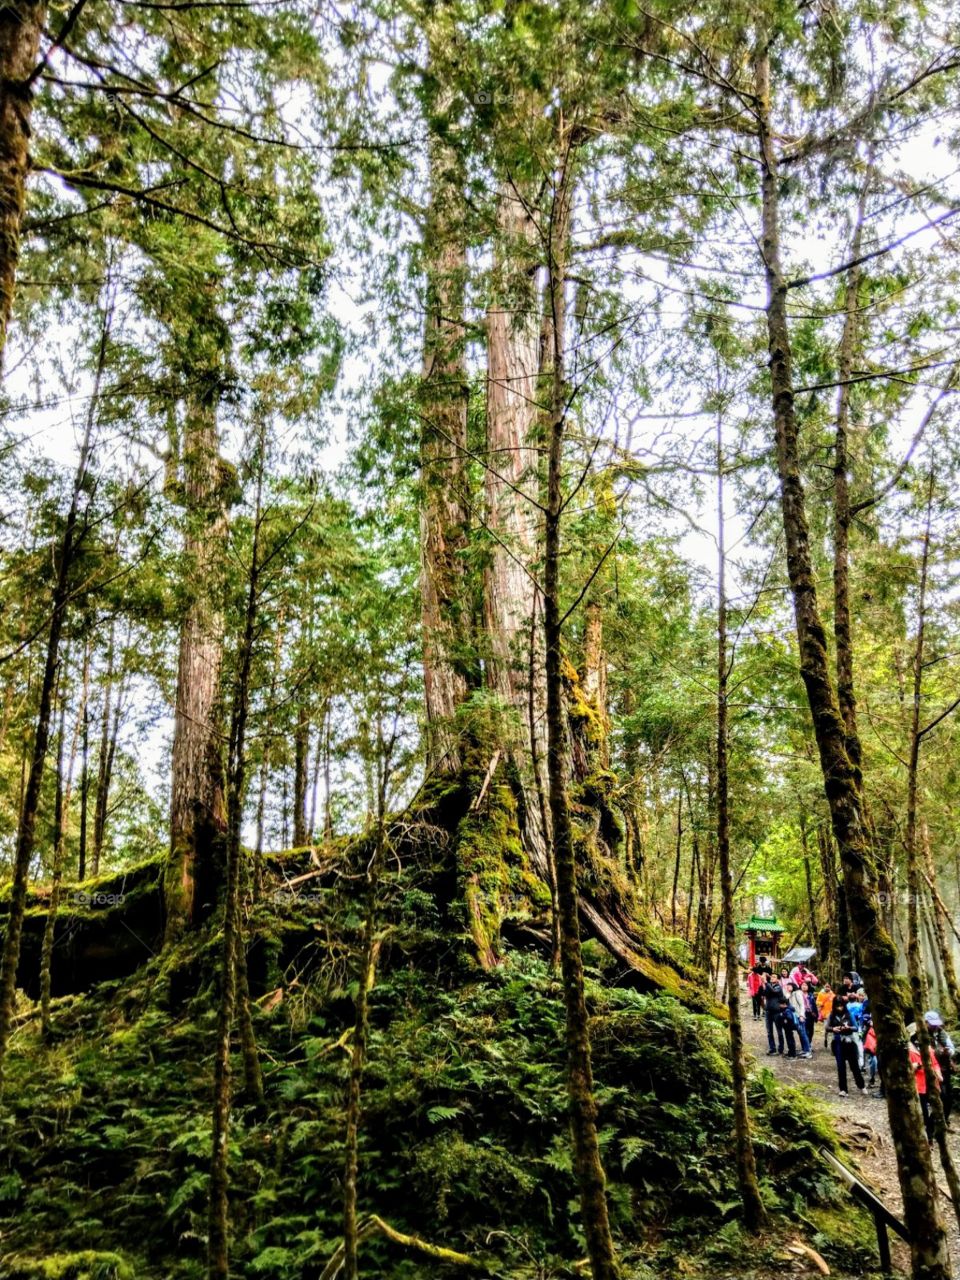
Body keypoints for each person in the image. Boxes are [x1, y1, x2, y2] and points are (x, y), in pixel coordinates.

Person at [907, 1023, 942, 1138]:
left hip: (931, 1082)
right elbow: (903, 1069)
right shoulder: (907, 1048)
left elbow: (935, 1063)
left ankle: (932, 1129)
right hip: (918, 1085)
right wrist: (915, 1065)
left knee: (943, 1104)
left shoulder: (927, 1046)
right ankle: (928, 1137)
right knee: (923, 1112)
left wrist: (939, 1075)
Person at [828, 994, 866, 1096]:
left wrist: (848, 1027)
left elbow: (856, 1027)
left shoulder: (849, 1014)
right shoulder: (832, 1015)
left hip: (850, 1042)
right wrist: (833, 1029)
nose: (839, 1008)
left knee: (854, 1066)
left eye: (841, 1005)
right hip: (838, 1043)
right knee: (841, 1067)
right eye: (837, 1006)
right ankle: (843, 1089)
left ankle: (861, 1085)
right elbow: (827, 1027)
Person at [925, 1011, 955, 1126]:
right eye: (931, 1024)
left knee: (949, 1097)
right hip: (931, 1070)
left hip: (945, 1069)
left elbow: (951, 1048)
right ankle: (933, 1124)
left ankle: (944, 1120)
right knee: (941, 1097)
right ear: (926, 1022)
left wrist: (948, 1052)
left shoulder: (942, 1033)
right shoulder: (921, 1035)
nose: (934, 1026)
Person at [783, 981, 813, 1058]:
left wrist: (802, 1015)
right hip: (792, 1017)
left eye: (789, 986)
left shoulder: (798, 993)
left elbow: (802, 1005)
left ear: (793, 986)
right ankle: (804, 1050)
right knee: (800, 1034)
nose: (788, 987)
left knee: (803, 1033)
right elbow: (785, 1002)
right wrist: (788, 994)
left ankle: (808, 1051)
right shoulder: (789, 994)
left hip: (799, 1016)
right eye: (787, 986)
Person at [763, 973, 786, 1055]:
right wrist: (763, 983)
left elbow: (774, 992)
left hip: (776, 1011)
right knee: (769, 1031)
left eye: (774, 977)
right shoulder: (769, 986)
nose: (772, 978)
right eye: (771, 976)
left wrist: (766, 982)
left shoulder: (778, 987)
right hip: (768, 1011)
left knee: (779, 1031)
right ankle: (772, 1048)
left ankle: (781, 1049)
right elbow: (763, 993)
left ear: (778, 979)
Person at [800, 979, 818, 1052]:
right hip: (802, 1014)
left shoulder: (811, 995)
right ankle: (804, 1046)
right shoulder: (798, 994)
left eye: (806, 985)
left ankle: (809, 1044)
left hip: (810, 1014)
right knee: (803, 1030)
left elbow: (814, 1006)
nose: (804, 987)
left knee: (810, 1030)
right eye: (803, 985)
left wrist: (815, 1014)